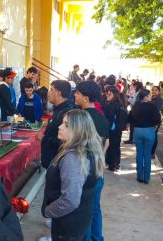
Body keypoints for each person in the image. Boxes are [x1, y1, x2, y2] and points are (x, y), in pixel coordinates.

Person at [41, 109, 105, 241]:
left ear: (78, 130)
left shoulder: (73, 158)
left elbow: (70, 200)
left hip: (68, 225)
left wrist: (48, 211)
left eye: (66, 125)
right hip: (79, 219)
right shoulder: (86, 150)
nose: (60, 126)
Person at [74, 81, 109, 241]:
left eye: (78, 93)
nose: (75, 95)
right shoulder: (102, 117)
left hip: (85, 173)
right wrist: (98, 160)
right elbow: (106, 142)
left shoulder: (82, 118)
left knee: (84, 213)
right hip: (98, 171)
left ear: (85, 98)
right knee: (95, 209)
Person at [127, 89, 161, 184]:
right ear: (145, 97)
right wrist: (153, 128)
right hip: (149, 131)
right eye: (149, 95)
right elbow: (157, 119)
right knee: (147, 154)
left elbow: (130, 118)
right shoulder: (152, 106)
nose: (151, 96)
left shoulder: (136, 106)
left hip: (137, 131)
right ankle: (146, 178)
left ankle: (139, 176)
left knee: (139, 153)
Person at [36, 80, 72, 169]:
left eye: (51, 90)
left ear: (58, 93)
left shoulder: (67, 113)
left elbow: (66, 142)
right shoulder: (58, 110)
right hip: (51, 163)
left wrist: (44, 138)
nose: (48, 93)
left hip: (57, 165)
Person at [103, 85, 126, 171]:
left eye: (109, 93)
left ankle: (113, 164)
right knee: (115, 146)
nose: (107, 94)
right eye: (106, 92)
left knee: (113, 147)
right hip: (115, 129)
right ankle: (115, 164)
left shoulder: (114, 104)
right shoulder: (114, 103)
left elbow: (109, 116)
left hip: (113, 129)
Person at [151, 86, 163, 159]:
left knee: (154, 135)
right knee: (151, 135)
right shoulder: (151, 98)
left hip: (156, 120)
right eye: (153, 90)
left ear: (159, 91)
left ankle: (153, 152)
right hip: (149, 119)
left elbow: (157, 109)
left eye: (156, 90)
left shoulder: (159, 100)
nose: (154, 91)